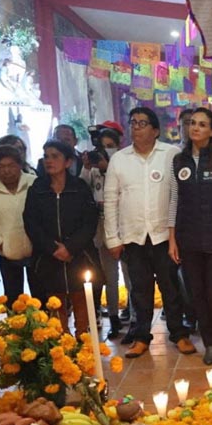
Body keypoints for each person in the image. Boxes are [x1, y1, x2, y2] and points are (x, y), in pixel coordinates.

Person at [105, 107, 195, 359]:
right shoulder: (120, 159)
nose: (136, 127)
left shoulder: (171, 155)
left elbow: (182, 197)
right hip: (133, 236)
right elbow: (110, 200)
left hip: (164, 236)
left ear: (155, 130)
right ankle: (141, 336)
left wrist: (181, 235)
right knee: (140, 290)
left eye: (142, 123)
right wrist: (113, 238)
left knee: (171, 287)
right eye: (133, 122)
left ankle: (179, 333)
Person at [169, 108, 212, 365]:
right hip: (188, 238)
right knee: (197, 294)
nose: (195, 128)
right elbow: (174, 200)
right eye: (192, 123)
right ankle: (209, 344)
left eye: (202, 124)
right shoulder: (179, 160)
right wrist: (173, 239)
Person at [22, 140, 98, 333]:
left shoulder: (80, 188)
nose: (49, 161)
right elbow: (31, 223)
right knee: (56, 311)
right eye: (46, 156)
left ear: (68, 162)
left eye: (55, 156)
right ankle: (62, 349)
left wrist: (70, 248)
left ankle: (84, 346)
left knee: (82, 304)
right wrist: (53, 248)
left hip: (78, 256)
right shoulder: (37, 189)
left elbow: (89, 222)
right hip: (49, 258)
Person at [80, 127, 125, 339]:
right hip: (101, 226)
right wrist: (87, 168)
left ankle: (133, 317)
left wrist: (109, 169)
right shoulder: (95, 169)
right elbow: (82, 188)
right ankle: (114, 318)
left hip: (124, 226)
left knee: (130, 276)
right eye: (101, 147)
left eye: (110, 147)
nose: (105, 151)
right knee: (110, 277)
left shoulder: (124, 164)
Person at [0, 145, 37, 302]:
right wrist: (1, 244)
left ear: (20, 165)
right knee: (14, 301)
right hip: (8, 253)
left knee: (42, 298)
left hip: (38, 252)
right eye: (1, 166)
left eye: (11, 165)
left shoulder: (34, 183)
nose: (6, 171)